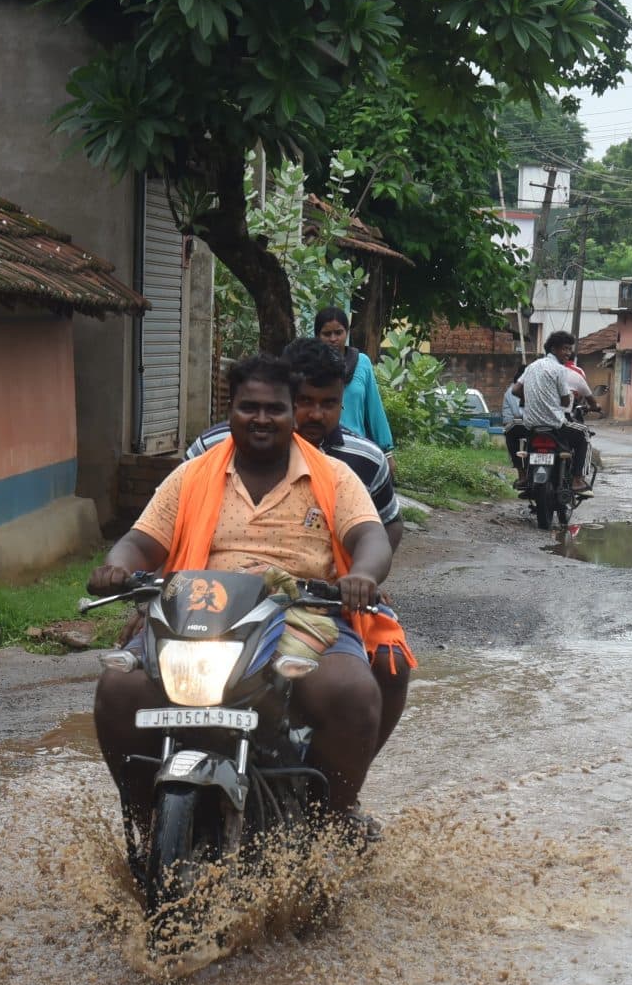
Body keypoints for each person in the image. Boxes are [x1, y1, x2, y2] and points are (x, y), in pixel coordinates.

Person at [89, 354, 406, 835]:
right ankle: (141, 816)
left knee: (353, 692)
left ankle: (332, 822)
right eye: (248, 407)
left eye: (274, 409)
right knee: (119, 688)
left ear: (292, 413)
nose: (261, 418)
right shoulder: (190, 475)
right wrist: (117, 566)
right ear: (230, 410)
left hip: (300, 612)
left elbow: (372, 537)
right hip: (196, 611)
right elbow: (140, 542)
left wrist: (361, 575)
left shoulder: (333, 476)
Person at [181, 337, 415, 751]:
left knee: (388, 664)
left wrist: (360, 575)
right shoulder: (212, 450)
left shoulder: (361, 460)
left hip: (328, 592)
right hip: (218, 595)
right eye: (304, 400)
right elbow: (175, 522)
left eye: (329, 403)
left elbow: (386, 527)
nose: (315, 413)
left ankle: (345, 780)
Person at [507, 329, 595, 486]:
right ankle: (577, 479)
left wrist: (530, 400)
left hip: (531, 425)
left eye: (569, 349)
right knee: (584, 434)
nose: (568, 353)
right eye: (565, 348)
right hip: (555, 425)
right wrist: (556, 402)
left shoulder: (532, 366)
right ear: (553, 349)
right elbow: (566, 401)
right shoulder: (560, 369)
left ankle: (521, 475)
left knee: (510, 429)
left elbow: (515, 390)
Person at [314, 307, 394, 451]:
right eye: (327, 334)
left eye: (338, 333)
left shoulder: (362, 362)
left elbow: (374, 409)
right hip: (320, 449)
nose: (333, 339)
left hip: (357, 450)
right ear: (317, 336)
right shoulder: (310, 365)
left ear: (347, 332)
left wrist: (387, 451)